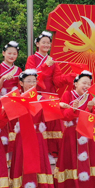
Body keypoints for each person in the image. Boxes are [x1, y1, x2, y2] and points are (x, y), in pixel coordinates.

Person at [9, 70, 57, 188]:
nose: (31, 84)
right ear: (21, 83)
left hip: (37, 137)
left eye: (34, 81)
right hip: (22, 137)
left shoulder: (41, 98)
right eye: (28, 81)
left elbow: (51, 117)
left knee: (38, 167)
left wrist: (58, 105)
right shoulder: (14, 98)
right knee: (21, 167)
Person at [56, 71, 95, 188]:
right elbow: (64, 116)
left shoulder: (90, 97)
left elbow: (93, 117)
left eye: (89, 83)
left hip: (85, 133)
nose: (86, 86)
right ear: (75, 83)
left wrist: (90, 108)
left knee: (88, 161)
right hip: (71, 133)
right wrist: (73, 109)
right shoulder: (67, 95)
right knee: (69, 161)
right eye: (84, 82)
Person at [25, 31, 67, 165]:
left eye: (48, 43)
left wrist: (69, 77)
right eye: (43, 42)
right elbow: (31, 77)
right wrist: (46, 65)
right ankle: (37, 151)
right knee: (37, 123)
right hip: (36, 95)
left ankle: (50, 152)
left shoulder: (53, 61)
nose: (46, 45)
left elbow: (57, 81)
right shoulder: (32, 58)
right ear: (37, 44)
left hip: (50, 95)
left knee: (52, 125)